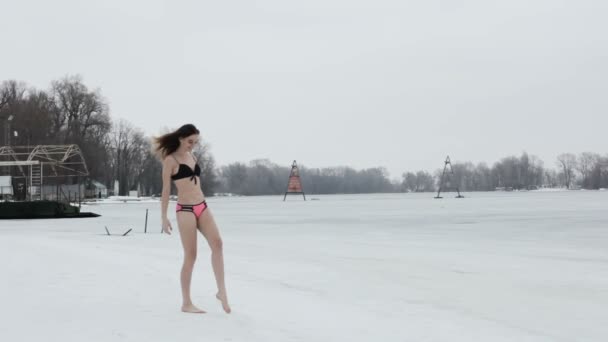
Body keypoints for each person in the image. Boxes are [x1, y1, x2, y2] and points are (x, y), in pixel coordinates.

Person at [155, 124, 231, 314]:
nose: (192, 146)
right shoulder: (170, 160)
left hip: (202, 206)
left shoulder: (192, 156)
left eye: (195, 142)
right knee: (191, 256)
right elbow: (165, 190)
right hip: (185, 210)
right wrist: (164, 217)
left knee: (218, 244)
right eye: (190, 141)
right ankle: (186, 303)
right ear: (181, 138)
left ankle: (222, 291)